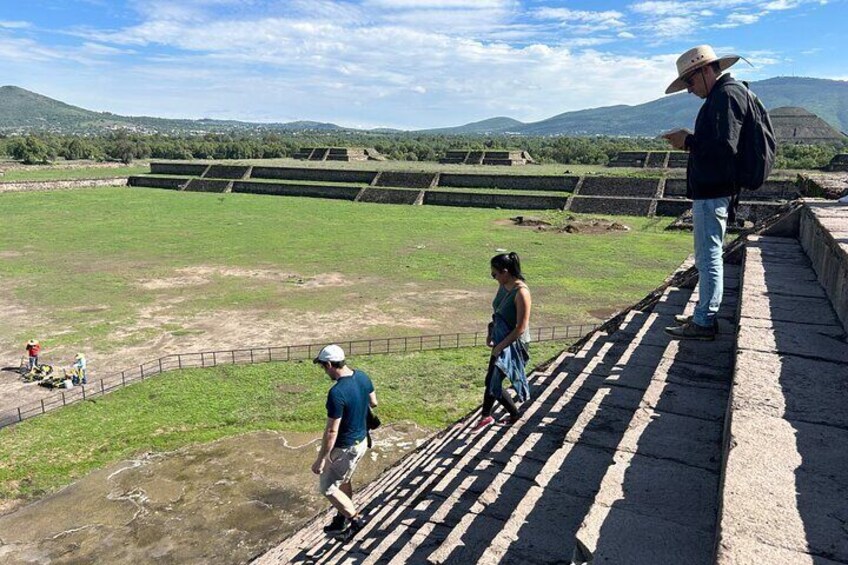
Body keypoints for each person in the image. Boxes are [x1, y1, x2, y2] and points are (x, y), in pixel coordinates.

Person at [662, 45, 752, 341]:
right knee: (706, 256)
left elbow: (725, 147)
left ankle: (704, 322)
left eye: (689, 81)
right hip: (715, 190)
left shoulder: (725, 97)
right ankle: (704, 312)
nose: (688, 90)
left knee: (708, 257)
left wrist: (687, 141)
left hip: (713, 192)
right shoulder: (724, 95)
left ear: (705, 70)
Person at [311, 344, 377, 542]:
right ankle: (342, 516)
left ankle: (355, 520)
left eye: (324, 367)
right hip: (362, 442)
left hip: (345, 447)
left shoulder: (336, 393)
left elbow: (332, 431)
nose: (324, 370)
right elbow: (374, 402)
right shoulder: (362, 376)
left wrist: (321, 459)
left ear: (330, 364)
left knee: (328, 488)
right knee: (345, 479)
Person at [474, 252, 532, 431]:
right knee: (491, 380)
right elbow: (498, 312)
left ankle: (513, 414)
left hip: (513, 344)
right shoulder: (504, 285)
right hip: (500, 339)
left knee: (493, 383)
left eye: (495, 274)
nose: (494, 278)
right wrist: (490, 332)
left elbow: (520, 327)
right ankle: (486, 415)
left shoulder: (521, 292)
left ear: (505, 272)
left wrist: (500, 347)